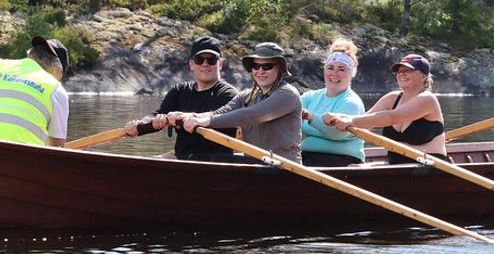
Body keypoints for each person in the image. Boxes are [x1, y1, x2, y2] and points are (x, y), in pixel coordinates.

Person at [179, 42, 302, 162]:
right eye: (256, 66)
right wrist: (192, 117)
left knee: (220, 160)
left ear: (279, 69)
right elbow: (222, 112)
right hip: (255, 164)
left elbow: (253, 115)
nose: (260, 71)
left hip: (284, 167)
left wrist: (208, 121)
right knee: (211, 158)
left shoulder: (288, 94)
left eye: (267, 66)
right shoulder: (246, 95)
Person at [123, 36, 238, 160]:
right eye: (199, 59)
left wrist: (180, 118)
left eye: (211, 60)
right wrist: (139, 125)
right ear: (191, 64)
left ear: (220, 64)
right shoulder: (179, 91)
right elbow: (157, 115)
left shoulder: (228, 94)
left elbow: (215, 118)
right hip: (181, 158)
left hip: (214, 162)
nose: (205, 64)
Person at [323, 53, 446, 165]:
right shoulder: (392, 98)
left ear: (424, 76)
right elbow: (366, 122)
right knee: (352, 168)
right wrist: (338, 117)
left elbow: (392, 117)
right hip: (396, 165)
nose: (402, 74)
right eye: (399, 71)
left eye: (408, 70)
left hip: (428, 166)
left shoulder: (427, 99)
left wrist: (351, 121)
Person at [300, 38, 366, 166]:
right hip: (307, 156)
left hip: (342, 159)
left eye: (341, 69)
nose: (334, 74)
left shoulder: (352, 102)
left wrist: (310, 117)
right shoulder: (309, 97)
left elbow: (336, 134)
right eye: (330, 68)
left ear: (351, 73)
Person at [0, 35, 69, 146]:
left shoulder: (2, 65)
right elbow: (56, 147)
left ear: (30, 55)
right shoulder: (56, 89)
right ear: (57, 71)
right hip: (20, 158)